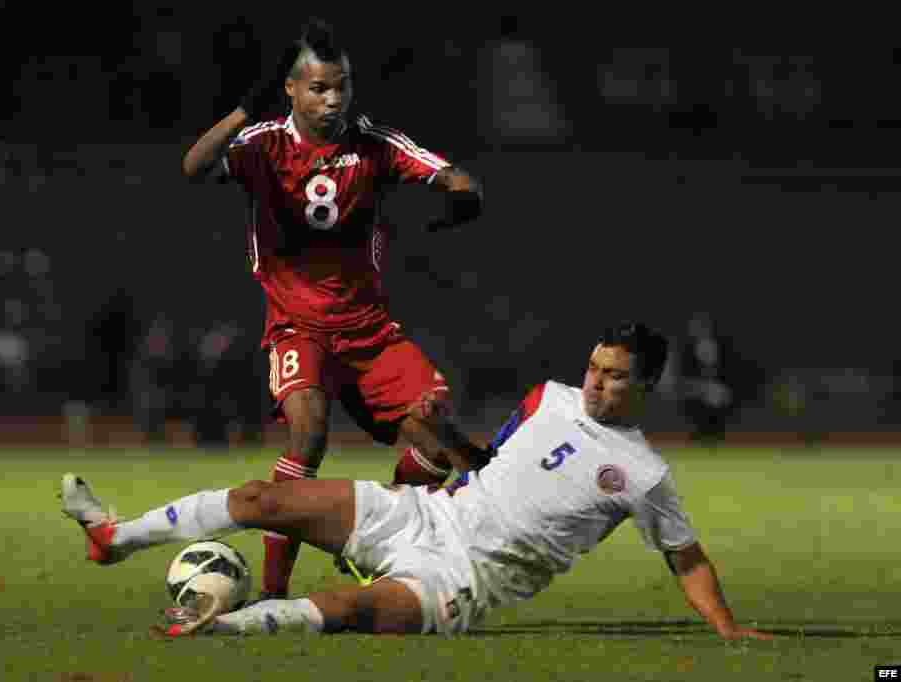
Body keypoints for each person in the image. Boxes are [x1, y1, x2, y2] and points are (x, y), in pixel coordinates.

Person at [60, 322, 772, 639]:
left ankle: (206, 630)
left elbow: (688, 557)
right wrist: (442, 431)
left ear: (645, 382)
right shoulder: (547, 398)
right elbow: (484, 465)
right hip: (424, 518)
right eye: (594, 367)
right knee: (259, 499)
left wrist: (728, 629)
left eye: (616, 376)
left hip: (464, 582)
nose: (597, 383)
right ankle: (114, 537)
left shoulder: (644, 474)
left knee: (340, 610)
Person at [181, 18, 488, 598]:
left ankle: (374, 543)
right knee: (309, 436)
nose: (333, 99)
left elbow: (450, 175)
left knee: (434, 441)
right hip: (298, 328)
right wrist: (246, 109)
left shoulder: (374, 144)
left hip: (370, 330)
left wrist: (463, 196)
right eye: (319, 88)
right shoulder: (263, 142)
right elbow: (194, 167)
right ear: (292, 90)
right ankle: (273, 596)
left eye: (341, 86)